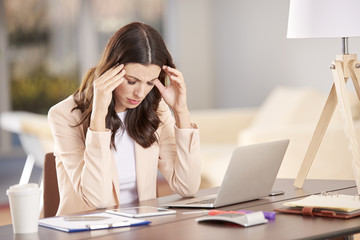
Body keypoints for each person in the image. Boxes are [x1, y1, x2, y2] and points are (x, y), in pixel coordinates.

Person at [48, 22, 201, 216]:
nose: (140, 93)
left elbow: (187, 186)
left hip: (144, 228)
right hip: (90, 231)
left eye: (150, 82)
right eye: (131, 81)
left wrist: (181, 111)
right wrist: (98, 116)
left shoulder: (155, 108)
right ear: (111, 69)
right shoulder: (63, 115)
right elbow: (98, 199)